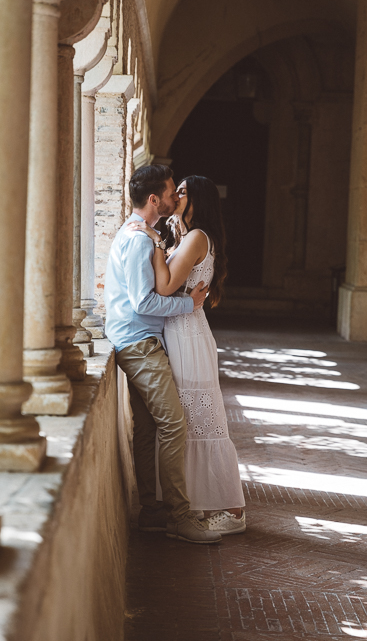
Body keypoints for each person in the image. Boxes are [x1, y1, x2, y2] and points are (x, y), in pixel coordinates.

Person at [104, 164, 222, 544]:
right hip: (139, 342)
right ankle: (180, 516)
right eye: (172, 192)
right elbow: (143, 301)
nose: (175, 197)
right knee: (174, 424)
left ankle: (152, 512)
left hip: (130, 339)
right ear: (154, 199)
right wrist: (189, 304)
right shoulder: (139, 239)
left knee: (148, 428)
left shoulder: (140, 234)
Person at [130, 175, 246, 534]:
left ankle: (232, 510)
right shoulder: (190, 236)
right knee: (191, 422)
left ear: (197, 199)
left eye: (182, 192)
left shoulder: (196, 237)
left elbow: (164, 286)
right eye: (174, 191)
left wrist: (154, 242)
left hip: (186, 335)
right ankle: (197, 501)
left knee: (198, 422)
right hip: (183, 330)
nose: (175, 196)